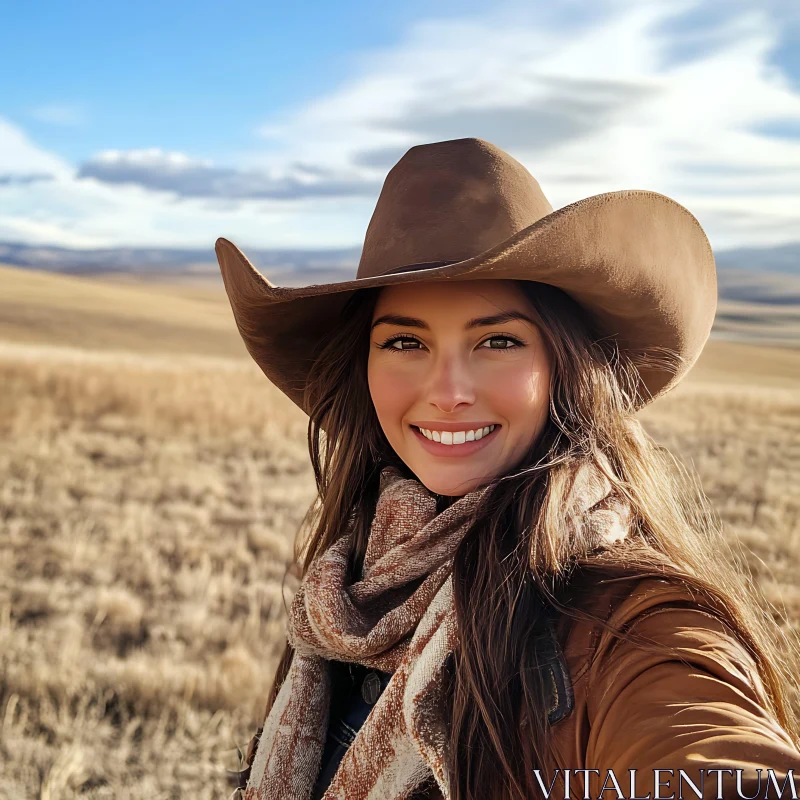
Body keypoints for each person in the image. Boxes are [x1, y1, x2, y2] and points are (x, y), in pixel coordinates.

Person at [218, 138, 800, 800]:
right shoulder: (348, 587)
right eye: (405, 342)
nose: (448, 390)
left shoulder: (630, 624)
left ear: (564, 365)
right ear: (365, 365)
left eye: (498, 341)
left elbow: (708, 749)